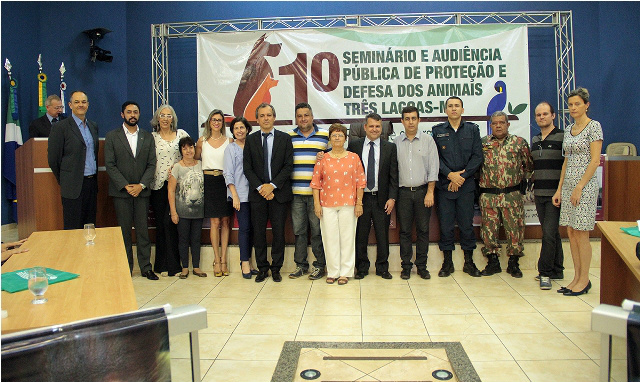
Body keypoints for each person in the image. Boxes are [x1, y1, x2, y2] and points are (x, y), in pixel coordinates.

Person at [553, 87, 603, 296]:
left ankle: (585, 280)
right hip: (569, 184)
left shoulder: (594, 127)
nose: (573, 108)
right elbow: (566, 160)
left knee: (582, 233)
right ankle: (576, 277)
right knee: (571, 232)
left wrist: (580, 187)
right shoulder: (569, 129)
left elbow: (594, 160)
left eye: (577, 104)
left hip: (585, 186)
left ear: (586, 105)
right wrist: (560, 189)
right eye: (570, 104)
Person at [104, 101, 158, 280]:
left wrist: (141, 185)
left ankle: (146, 267)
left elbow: (152, 164)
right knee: (124, 232)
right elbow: (110, 165)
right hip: (121, 192)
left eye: (135, 111)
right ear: (122, 115)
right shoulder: (112, 136)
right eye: (129, 112)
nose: (132, 115)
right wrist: (126, 185)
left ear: (139, 114)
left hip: (142, 192)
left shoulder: (147, 137)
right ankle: (126, 268)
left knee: (143, 231)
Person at [432, 96, 483, 277]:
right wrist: (450, 175)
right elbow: (435, 158)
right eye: (450, 106)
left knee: (466, 225)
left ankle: (469, 263)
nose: (454, 109)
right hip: (445, 186)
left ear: (462, 109)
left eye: (457, 106)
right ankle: (447, 263)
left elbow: (478, 157)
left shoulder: (472, 130)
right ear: (446, 110)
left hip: (466, 186)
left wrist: (462, 176)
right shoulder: (437, 131)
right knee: (445, 226)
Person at [478, 111, 533, 278]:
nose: (498, 126)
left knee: (515, 229)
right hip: (489, 195)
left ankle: (513, 263)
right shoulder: (482, 143)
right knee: (488, 230)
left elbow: (528, 167)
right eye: (494, 123)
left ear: (508, 124)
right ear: (490, 125)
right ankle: (492, 261)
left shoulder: (519, 143)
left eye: (502, 122)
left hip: (512, 194)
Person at [243, 103, 294, 283]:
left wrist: (272, 186)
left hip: (278, 194)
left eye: (269, 115)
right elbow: (247, 168)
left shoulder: (284, 139)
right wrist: (261, 188)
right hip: (258, 195)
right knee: (259, 233)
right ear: (257, 119)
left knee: (279, 233)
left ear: (274, 117)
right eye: (262, 115)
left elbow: (288, 166)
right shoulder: (251, 140)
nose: (266, 118)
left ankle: (276, 268)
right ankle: (263, 268)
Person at [311, 123, 366, 285]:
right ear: (329, 139)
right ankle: (333, 271)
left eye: (340, 135)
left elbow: (360, 182)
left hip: (349, 203)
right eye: (334, 135)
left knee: (347, 238)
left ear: (345, 138)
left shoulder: (353, 158)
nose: (337, 138)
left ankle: (345, 272)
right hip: (326, 204)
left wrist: (359, 203)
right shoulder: (323, 158)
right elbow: (316, 183)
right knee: (330, 238)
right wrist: (316, 204)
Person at [349, 112, 398, 280]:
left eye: (378, 126)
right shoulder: (354, 146)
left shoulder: (390, 147)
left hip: (381, 198)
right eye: (371, 126)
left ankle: (382, 268)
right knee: (360, 235)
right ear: (365, 127)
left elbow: (394, 175)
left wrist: (392, 198)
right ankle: (361, 268)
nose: (375, 129)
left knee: (382, 235)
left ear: (381, 128)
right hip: (361, 199)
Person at [394, 105, 439, 280]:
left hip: (422, 192)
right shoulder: (396, 142)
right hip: (403, 193)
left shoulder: (428, 141)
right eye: (407, 118)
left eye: (414, 118)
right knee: (404, 231)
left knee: (423, 230)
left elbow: (433, 168)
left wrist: (430, 192)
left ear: (419, 120)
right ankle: (406, 267)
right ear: (402, 121)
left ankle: (422, 266)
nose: (410, 122)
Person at [288, 103, 328, 280]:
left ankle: (319, 265)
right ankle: (301, 265)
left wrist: (325, 156)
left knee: (318, 231)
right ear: (296, 118)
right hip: (296, 193)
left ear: (312, 117)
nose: (303, 119)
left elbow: (337, 157)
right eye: (299, 116)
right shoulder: (288, 137)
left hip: (317, 196)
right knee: (299, 231)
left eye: (306, 115)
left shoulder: (325, 136)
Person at [47, 91, 99, 230]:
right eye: (76, 102)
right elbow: (53, 159)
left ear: (88, 104)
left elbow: (94, 153)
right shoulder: (60, 127)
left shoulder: (93, 126)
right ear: (70, 105)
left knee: (90, 226)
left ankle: (88, 252)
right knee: (73, 227)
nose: (80, 105)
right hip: (73, 186)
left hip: (91, 184)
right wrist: (66, 179)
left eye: (83, 102)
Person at [150, 104, 188, 277]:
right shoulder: (151, 138)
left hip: (177, 186)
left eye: (169, 115)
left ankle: (174, 265)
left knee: (172, 224)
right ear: (157, 118)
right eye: (162, 115)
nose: (165, 118)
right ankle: (160, 265)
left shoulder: (181, 134)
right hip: (157, 186)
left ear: (173, 118)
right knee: (161, 224)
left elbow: (190, 155)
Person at [195, 109, 233, 277]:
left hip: (225, 182)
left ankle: (224, 259)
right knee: (214, 222)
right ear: (209, 122)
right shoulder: (202, 141)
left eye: (219, 120)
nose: (216, 122)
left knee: (225, 221)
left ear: (223, 123)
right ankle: (216, 260)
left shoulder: (230, 141)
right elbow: (194, 161)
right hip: (209, 181)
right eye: (213, 120)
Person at [531, 102, 565, 289]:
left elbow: (566, 166)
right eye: (538, 115)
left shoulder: (562, 137)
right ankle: (557, 269)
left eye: (545, 114)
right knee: (552, 234)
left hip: (555, 195)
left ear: (553, 115)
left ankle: (545, 273)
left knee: (548, 234)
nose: (541, 117)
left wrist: (560, 191)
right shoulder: (535, 139)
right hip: (539, 194)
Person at [223, 117, 258, 279]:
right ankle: (244, 262)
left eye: (242, 127)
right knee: (243, 228)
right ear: (233, 131)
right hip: (240, 195)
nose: (239, 131)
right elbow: (228, 173)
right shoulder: (231, 148)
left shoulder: (253, 145)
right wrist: (234, 195)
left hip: (255, 193)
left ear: (247, 129)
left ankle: (250, 262)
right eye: (236, 128)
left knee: (252, 229)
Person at [168, 137, 206, 279]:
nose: (188, 150)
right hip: (182, 211)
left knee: (196, 239)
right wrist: (173, 212)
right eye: (184, 148)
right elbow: (171, 190)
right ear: (181, 151)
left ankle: (196, 266)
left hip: (199, 211)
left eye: (191, 147)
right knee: (183, 239)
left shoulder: (201, 165)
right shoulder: (177, 167)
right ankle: (185, 268)